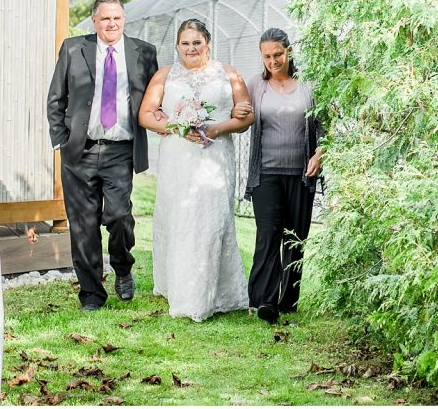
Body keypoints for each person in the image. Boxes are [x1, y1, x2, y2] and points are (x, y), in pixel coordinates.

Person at [47, 0, 158, 312]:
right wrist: (61, 140)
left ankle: (123, 267)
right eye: (106, 19)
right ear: (94, 21)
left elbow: (155, 97)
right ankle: (92, 294)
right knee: (83, 224)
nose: (112, 24)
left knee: (120, 216)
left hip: (120, 151)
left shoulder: (143, 53)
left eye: (117, 19)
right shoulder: (73, 48)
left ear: (124, 20)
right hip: (79, 151)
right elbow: (56, 98)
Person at [138, 19, 254, 321]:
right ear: (178, 46)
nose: (191, 48)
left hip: (214, 156)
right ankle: (179, 289)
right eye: (185, 43)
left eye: (196, 42)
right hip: (178, 157)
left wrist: (217, 128)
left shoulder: (228, 73)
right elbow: (146, 115)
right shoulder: (166, 75)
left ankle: (213, 294)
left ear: (208, 43)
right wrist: (177, 127)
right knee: (180, 219)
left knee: (212, 219)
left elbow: (246, 116)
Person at [239, 28, 325, 325]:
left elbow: (327, 126)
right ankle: (262, 301)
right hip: (266, 173)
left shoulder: (310, 84)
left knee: (295, 238)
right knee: (268, 235)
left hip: (301, 174)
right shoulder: (254, 85)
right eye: (267, 56)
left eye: (278, 54)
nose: (273, 61)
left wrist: (319, 154)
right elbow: (240, 115)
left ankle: (287, 301)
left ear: (289, 51)